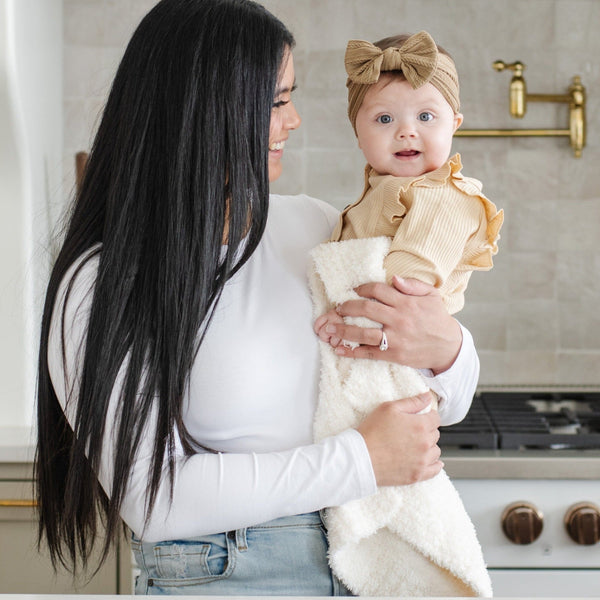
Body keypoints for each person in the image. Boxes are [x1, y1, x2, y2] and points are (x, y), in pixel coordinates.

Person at [35, 3, 479, 596]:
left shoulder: (319, 229)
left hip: (367, 556)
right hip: (231, 573)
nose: (292, 120)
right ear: (203, 110)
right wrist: (362, 461)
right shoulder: (102, 282)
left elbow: (435, 402)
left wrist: (448, 348)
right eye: (274, 102)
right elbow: (155, 501)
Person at [308, 31, 501, 597]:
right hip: (365, 347)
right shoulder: (365, 198)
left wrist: (343, 318)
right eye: (384, 119)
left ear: (455, 121)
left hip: (399, 360)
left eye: (424, 114)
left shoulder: (447, 197)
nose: (407, 130)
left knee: (393, 484)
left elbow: (408, 284)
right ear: (358, 131)